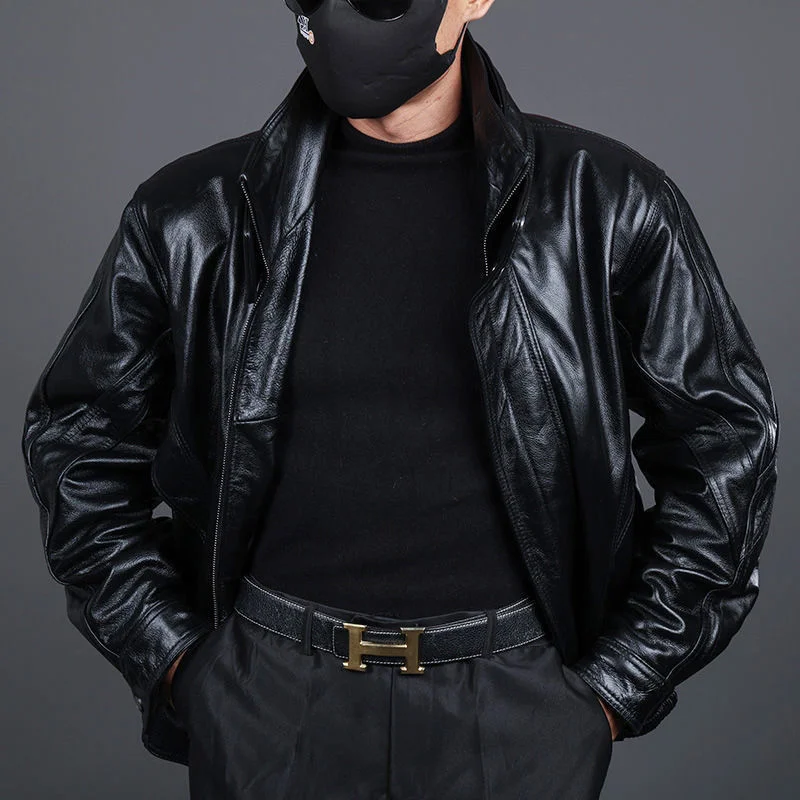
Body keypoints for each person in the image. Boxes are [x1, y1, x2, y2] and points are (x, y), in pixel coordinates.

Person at [21, 1, 779, 798]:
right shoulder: (191, 212)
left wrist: (614, 689)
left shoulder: (607, 202)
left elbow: (724, 443)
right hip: (268, 699)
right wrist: (179, 661)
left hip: (516, 709)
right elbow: (78, 439)